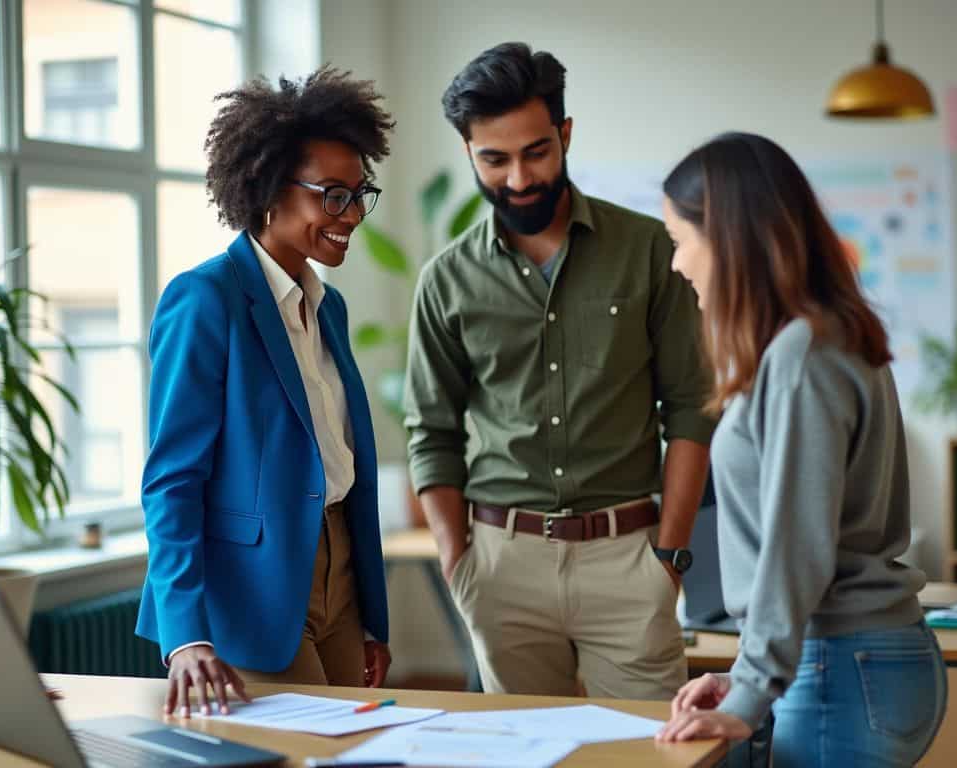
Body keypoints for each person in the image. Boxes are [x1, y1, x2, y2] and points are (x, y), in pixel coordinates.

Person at [403, 42, 715, 700]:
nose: (519, 179)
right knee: (522, 750)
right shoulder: (445, 281)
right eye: (495, 158)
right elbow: (430, 430)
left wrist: (670, 556)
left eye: (536, 152)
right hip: (500, 562)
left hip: (629, 556)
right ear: (468, 152)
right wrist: (459, 563)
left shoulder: (651, 251)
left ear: (565, 134)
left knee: (646, 751)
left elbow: (691, 407)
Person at [655, 132, 947, 766]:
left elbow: (797, 548)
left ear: (729, 240)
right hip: (849, 659)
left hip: (842, 665)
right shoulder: (824, 339)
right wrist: (744, 675)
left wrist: (752, 689)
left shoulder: (801, 357)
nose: (677, 265)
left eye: (682, 242)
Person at [136, 67, 395, 718]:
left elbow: (340, 463)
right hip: (252, 589)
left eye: (360, 194)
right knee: (300, 751)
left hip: (338, 575)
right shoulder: (205, 301)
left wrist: (369, 613)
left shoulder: (326, 307)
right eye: (333, 195)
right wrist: (186, 635)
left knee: (356, 752)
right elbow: (172, 480)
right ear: (270, 189)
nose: (353, 215)